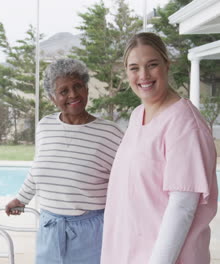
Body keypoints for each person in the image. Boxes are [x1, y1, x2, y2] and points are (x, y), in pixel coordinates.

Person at [101, 32, 218, 264]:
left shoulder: (184, 123)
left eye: (152, 65)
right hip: (128, 252)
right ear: (126, 72)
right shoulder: (137, 116)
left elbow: (182, 207)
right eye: (134, 68)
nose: (143, 75)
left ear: (167, 64)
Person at [5, 58, 124, 264]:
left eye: (78, 86)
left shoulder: (110, 133)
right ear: (53, 98)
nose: (73, 95)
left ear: (86, 89)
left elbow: (125, 183)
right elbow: (38, 169)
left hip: (92, 232)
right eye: (64, 91)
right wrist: (21, 199)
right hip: (50, 228)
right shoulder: (45, 126)